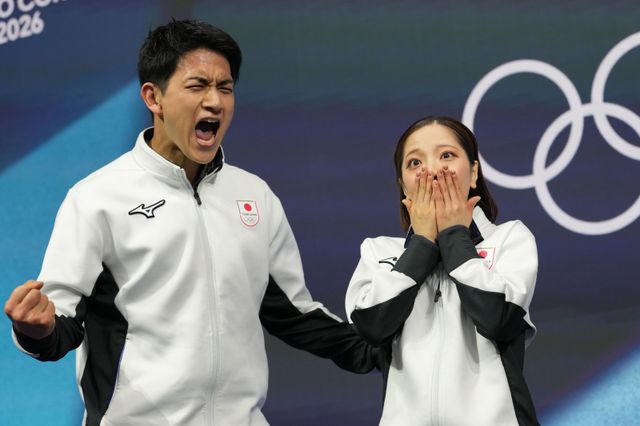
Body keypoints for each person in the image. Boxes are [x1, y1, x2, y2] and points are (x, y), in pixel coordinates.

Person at [3, 19, 377, 426]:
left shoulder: (255, 195)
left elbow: (293, 314)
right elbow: (60, 324)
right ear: (154, 97)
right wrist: (35, 330)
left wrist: (385, 351)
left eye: (225, 88)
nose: (215, 102)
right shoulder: (96, 198)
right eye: (198, 86)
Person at [345, 116, 539, 425]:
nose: (432, 171)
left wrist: (454, 236)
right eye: (415, 163)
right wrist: (422, 243)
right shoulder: (377, 251)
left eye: (446, 155)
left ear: (473, 173)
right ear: (402, 185)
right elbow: (372, 328)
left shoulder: (510, 239)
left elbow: (498, 320)